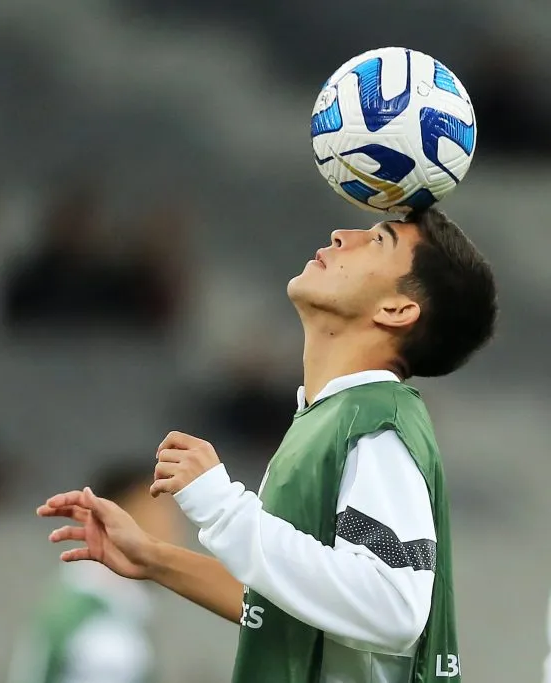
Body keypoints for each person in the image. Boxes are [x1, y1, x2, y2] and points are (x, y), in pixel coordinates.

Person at [39, 208, 497, 683]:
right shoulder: (332, 417)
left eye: (378, 241)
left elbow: (393, 607)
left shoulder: (379, 421)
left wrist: (224, 509)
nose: (343, 235)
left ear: (397, 310)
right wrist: (153, 557)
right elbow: (293, 607)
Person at [10, 462, 182, 683]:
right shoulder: (92, 621)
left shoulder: (120, 606)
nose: (173, 526)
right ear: (117, 516)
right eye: (159, 512)